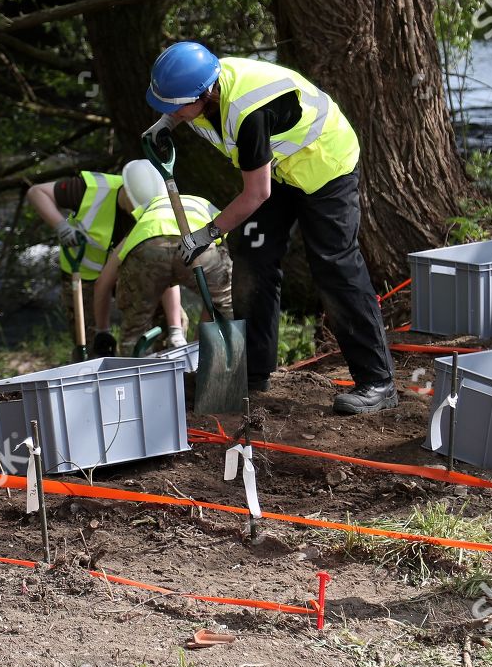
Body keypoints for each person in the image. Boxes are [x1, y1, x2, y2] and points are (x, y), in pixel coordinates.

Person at [145, 42, 396, 414]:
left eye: (175, 106)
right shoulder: (204, 87)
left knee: (334, 266)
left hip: (323, 164)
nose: (174, 112)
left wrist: (208, 233)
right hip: (279, 167)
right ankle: (252, 371)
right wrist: (165, 123)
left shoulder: (249, 114)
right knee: (251, 254)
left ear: (205, 94)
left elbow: (256, 193)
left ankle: (378, 382)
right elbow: (259, 183)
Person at [25, 169, 179, 345]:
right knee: (91, 341)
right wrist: (61, 226)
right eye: (137, 208)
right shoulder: (91, 189)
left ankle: (165, 359)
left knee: (170, 322)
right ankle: (92, 365)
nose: (140, 215)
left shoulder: (155, 210)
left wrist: (176, 330)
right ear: (127, 193)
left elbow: (165, 275)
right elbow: (36, 192)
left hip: (128, 271)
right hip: (83, 272)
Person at [91, 160, 227, 355]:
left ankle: (134, 375)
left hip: (146, 252)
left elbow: (102, 284)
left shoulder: (144, 225)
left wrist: (102, 331)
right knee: (220, 300)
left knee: (134, 333)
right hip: (200, 243)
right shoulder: (199, 204)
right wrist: (177, 332)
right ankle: (204, 363)